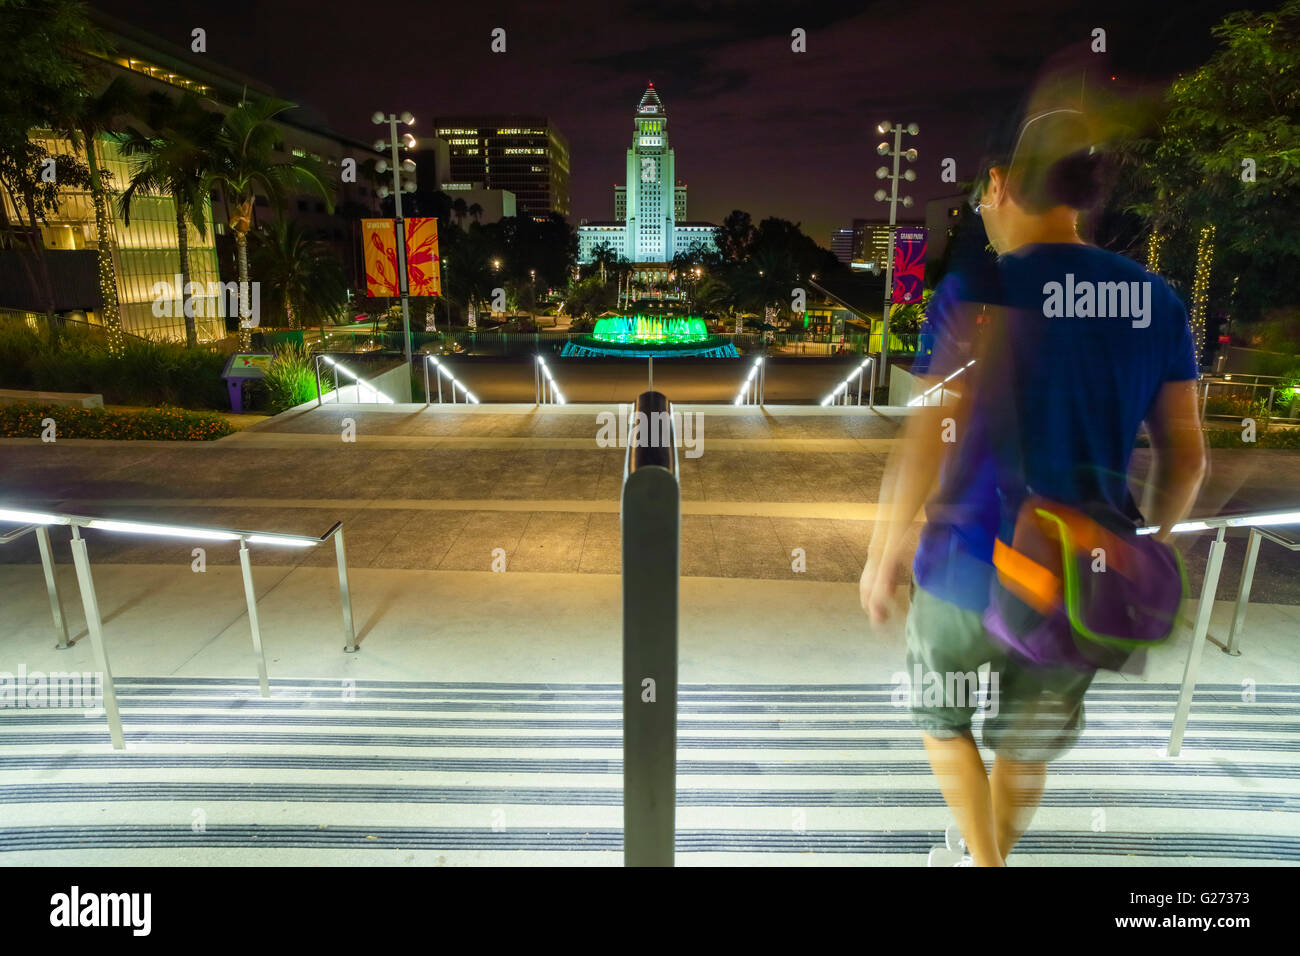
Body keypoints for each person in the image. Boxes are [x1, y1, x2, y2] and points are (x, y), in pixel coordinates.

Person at [859, 100, 1208, 867]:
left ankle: (980, 860)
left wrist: (884, 550)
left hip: (963, 567)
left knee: (942, 720)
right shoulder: (1155, 302)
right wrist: (1146, 540)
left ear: (1000, 185)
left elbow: (925, 437)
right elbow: (1186, 460)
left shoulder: (972, 293)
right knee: (1025, 749)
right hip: (1076, 579)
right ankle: (996, 859)